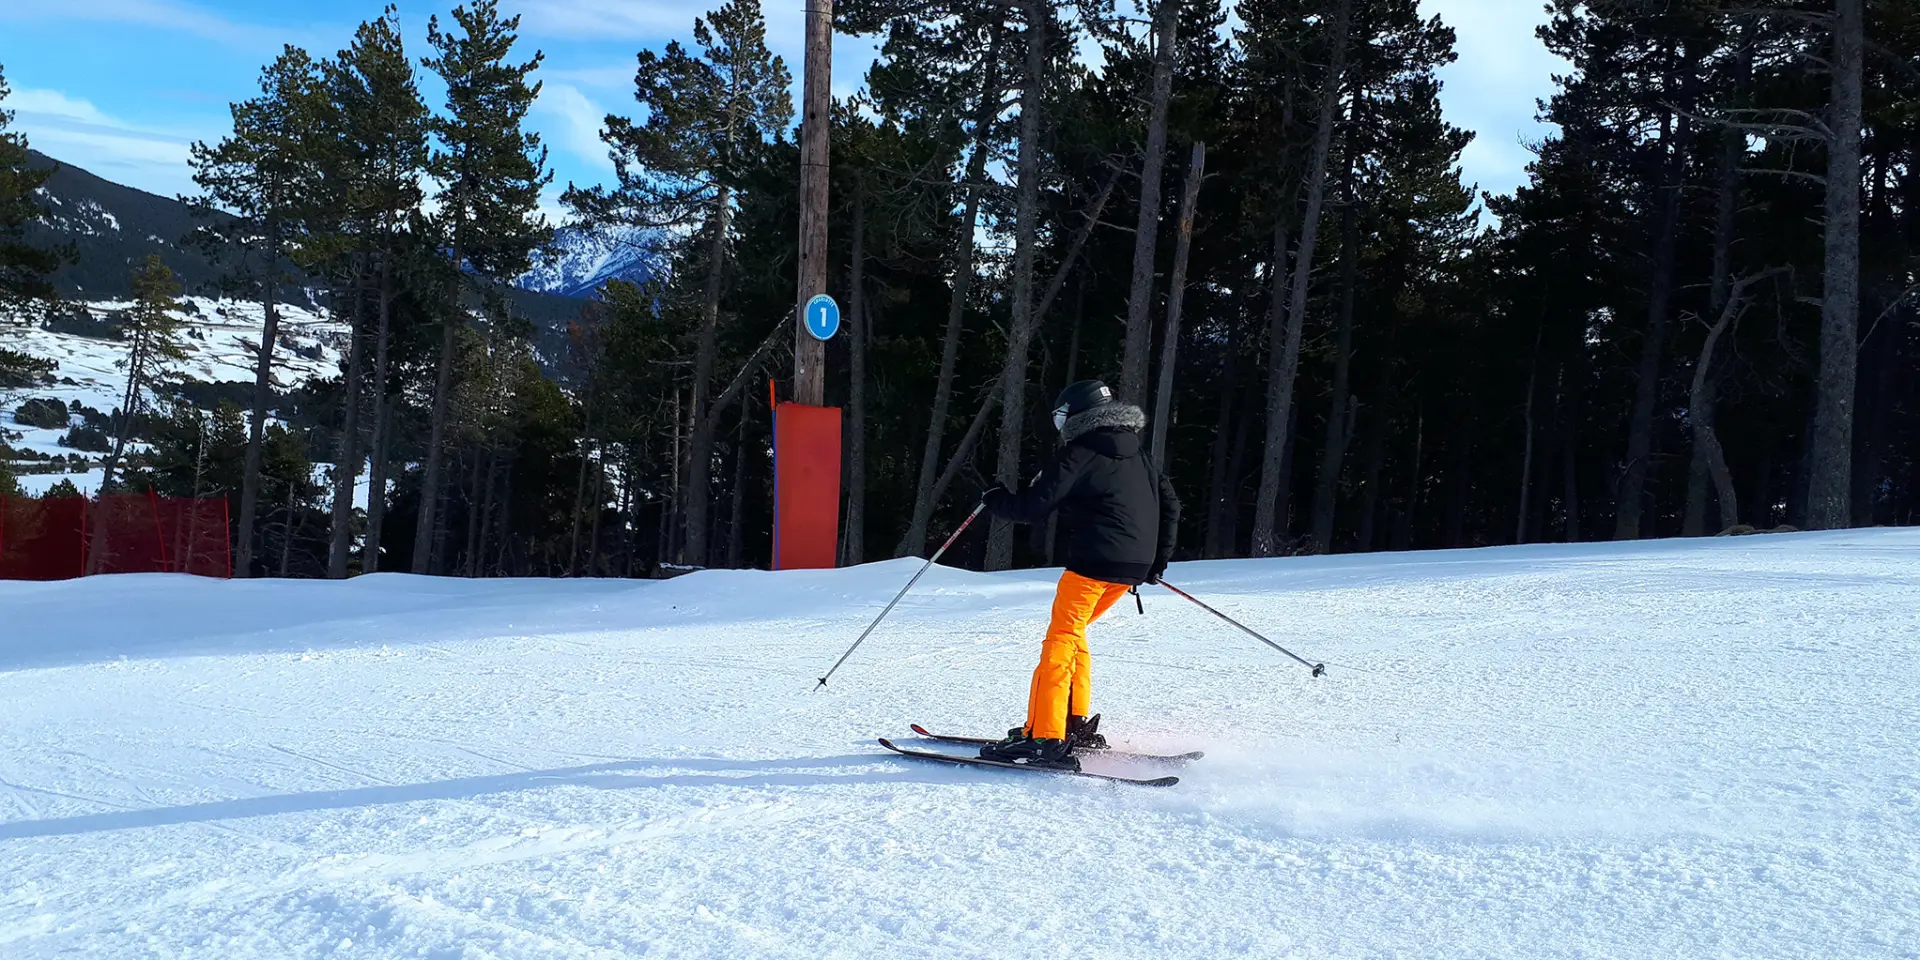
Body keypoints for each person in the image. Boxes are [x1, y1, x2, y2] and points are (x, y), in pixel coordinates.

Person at [975, 379, 1180, 768]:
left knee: (1060, 639)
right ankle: (1074, 723)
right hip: (1128, 569)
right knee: (1074, 633)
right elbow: (1170, 504)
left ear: (1075, 416)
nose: (1059, 425)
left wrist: (996, 498)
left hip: (1092, 566)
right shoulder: (1140, 454)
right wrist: (1155, 563)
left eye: (1060, 417)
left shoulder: (1081, 451)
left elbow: (1034, 507)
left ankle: (1047, 737)